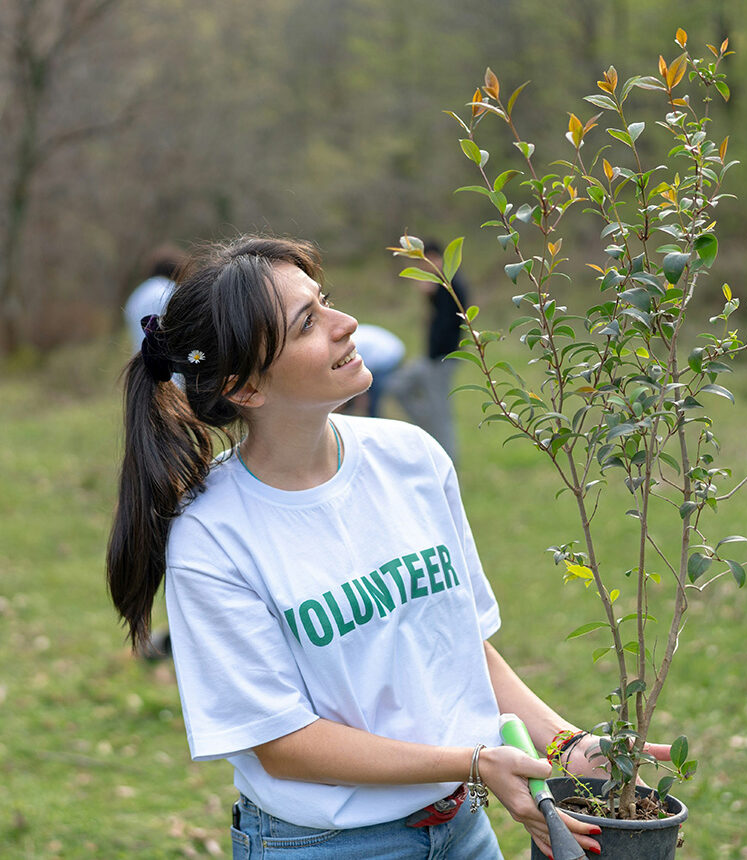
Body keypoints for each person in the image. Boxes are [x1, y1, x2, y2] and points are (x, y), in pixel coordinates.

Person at [106, 236, 668, 859]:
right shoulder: (213, 536)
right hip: (325, 845)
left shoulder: (411, 457)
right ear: (245, 387)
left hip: (461, 828)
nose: (348, 326)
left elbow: (460, 644)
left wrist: (566, 745)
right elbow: (284, 743)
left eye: (327, 302)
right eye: (309, 324)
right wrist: (475, 762)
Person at [121, 242, 188, 660]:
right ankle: (173, 633)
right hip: (170, 400)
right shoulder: (161, 292)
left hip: (153, 401)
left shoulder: (138, 293)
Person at [385, 241, 468, 460]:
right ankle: (426, 429)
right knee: (397, 386)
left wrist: (434, 289)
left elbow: (451, 318)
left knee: (441, 414)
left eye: (425, 262)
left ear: (435, 258)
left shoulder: (451, 283)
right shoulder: (440, 286)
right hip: (429, 358)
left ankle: (448, 461)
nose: (424, 268)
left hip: (443, 359)